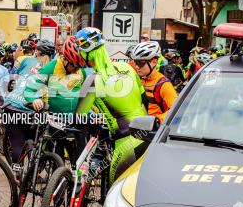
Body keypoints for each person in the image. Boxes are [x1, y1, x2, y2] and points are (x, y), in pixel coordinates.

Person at [74, 27, 149, 181]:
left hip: (125, 143)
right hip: (148, 135)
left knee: (114, 194)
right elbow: (144, 100)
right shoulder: (127, 67)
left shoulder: (93, 80)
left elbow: (79, 118)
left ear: (85, 53)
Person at [129, 41, 178, 122]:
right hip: (136, 126)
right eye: (135, 62)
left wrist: (156, 120)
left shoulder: (164, 84)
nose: (137, 67)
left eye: (140, 63)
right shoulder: (137, 79)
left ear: (154, 62)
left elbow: (176, 111)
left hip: (153, 131)